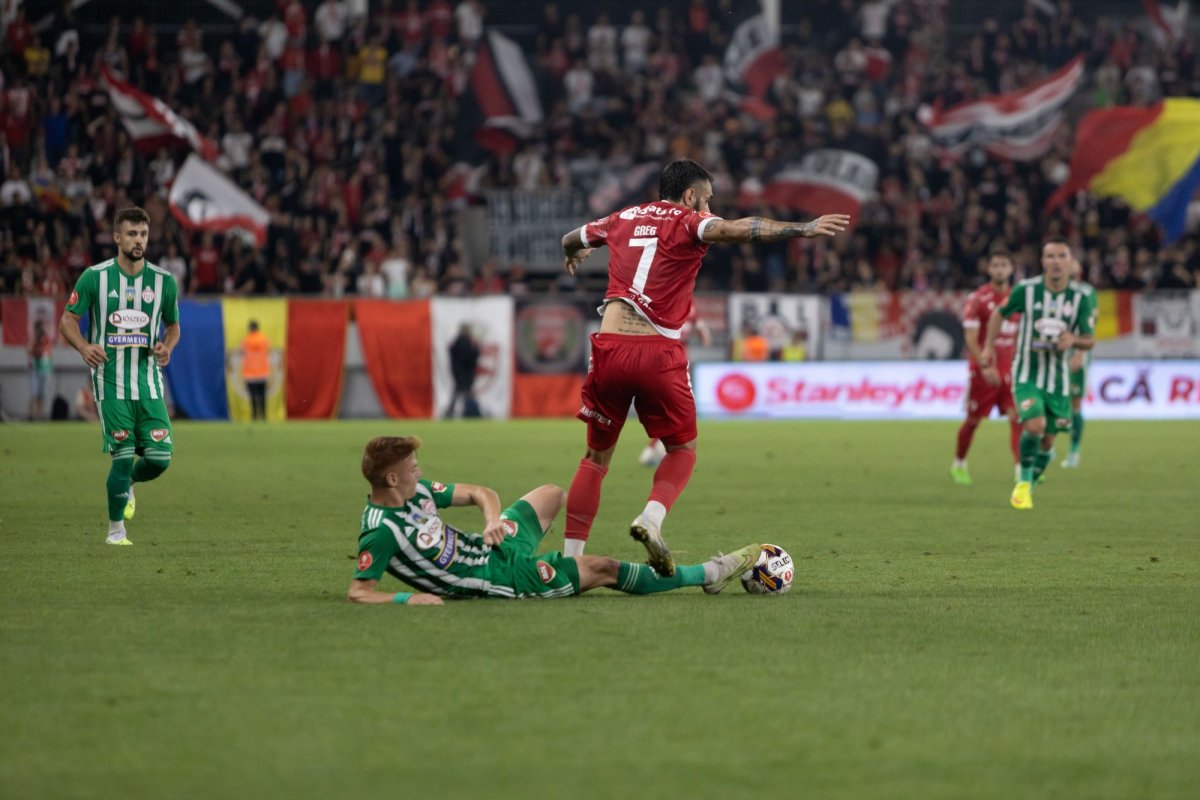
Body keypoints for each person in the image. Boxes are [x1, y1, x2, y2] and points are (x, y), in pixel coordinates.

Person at [560, 158, 849, 574]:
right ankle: (651, 518)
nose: (710, 209)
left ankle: (571, 562)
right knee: (683, 451)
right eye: (708, 200)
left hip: (608, 347)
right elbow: (736, 230)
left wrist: (576, 253)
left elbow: (572, 237)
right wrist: (801, 229)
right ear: (690, 196)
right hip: (657, 353)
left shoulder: (622, 217)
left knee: (594, 459)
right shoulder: (688, 220)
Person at [346, 436, 760, 604]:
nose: (420, 471)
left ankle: (562, 573)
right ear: (392, 478)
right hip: (499, 580)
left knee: (550, 495)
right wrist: (407, 598)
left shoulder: (416, 491)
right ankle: (708, 573)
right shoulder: (382, 532)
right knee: (605, 568)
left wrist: (492, 520)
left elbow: (479, 493)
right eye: (413, 467)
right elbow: (359, 592)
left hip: (491, 547)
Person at [59, 207, 181, 545]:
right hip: (110, 383)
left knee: (159, 459)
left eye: (143, 234)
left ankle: (128, 484)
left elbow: (174, 326)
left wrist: (167, 346)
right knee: (123, 456)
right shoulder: (94, 277)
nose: (138, 240)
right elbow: (67, 320)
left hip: (149, 384)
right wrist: (84, 347)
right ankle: (116, 531)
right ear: (116, 237)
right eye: (131, 234)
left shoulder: (163, 282)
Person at [981, 238, 1096, 510]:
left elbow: (1089, 339)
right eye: (1050, 256)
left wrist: (1073, 341)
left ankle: (1030, 482)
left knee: (1047, 441)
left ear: (1070, 262)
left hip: (1058, 378)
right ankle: (1022, 483)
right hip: (1026, 373)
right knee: (1034, 425)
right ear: (1043, 262)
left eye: (1061, 256)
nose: (1056, 261)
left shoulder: (1081, 297)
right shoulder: (1026, 290)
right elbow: (1000, 313)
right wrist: (989, 347)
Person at [951, 247, 1022, 486]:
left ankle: (1021, 469)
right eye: (996, 265)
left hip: (1010, 370)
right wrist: (984, 365)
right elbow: (970, 336)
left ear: (1011, 269)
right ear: (989, 269)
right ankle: (959, 463)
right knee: (973, 421)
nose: (1000, 269)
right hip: (983, 371)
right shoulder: (978, 299)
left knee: (1017, 417)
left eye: (1004, 265)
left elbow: (1020, 334)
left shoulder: (1018, 299)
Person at [638, 300, 712, 467]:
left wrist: (705, 337)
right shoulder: (669, 302)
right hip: (668, 356)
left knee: (673, 407)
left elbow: (701, 329)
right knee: (672, 406)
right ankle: (657, 448)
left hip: (677, 357)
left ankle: (657, 448)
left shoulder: (690, 306)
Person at [1062, 255, 1096, 469]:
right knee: (1049, 401)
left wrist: (1080, 353)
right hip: (1054, 353)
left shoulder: (1087, 292)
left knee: (1075, 403)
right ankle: (1047, 446)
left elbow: (1090, 327)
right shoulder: (1053, 290)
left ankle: (1074, 451)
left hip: (1075, 352)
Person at [443, 322, 481, 418]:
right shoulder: (466, 342)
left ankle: (451, 412)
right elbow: (471, 357)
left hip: (458, 372)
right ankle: (471, 412)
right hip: (466, 373)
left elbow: (452, 353)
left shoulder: (456, 342)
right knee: (466, 392)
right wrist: (477, 349)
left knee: (459, 392)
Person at [240, 319, 270, 421]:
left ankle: (254, 415)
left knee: (253, 396)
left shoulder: (246, 340)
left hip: (250, 373)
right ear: (258, 328)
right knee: (262, 395)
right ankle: (264, 415)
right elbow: (267, 350)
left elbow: (242, 352)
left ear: (249, 328)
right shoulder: (264, 339)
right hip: (263, 372)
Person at [27, 318, 53, 420]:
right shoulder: (32, 339)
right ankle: (31, 415)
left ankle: (40, 415)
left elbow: (48, 353)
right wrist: (34, 340)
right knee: (34, 393)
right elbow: (28, 351)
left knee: (42, 394)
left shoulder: (46, 339)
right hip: (35, 369)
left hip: (45, 369)